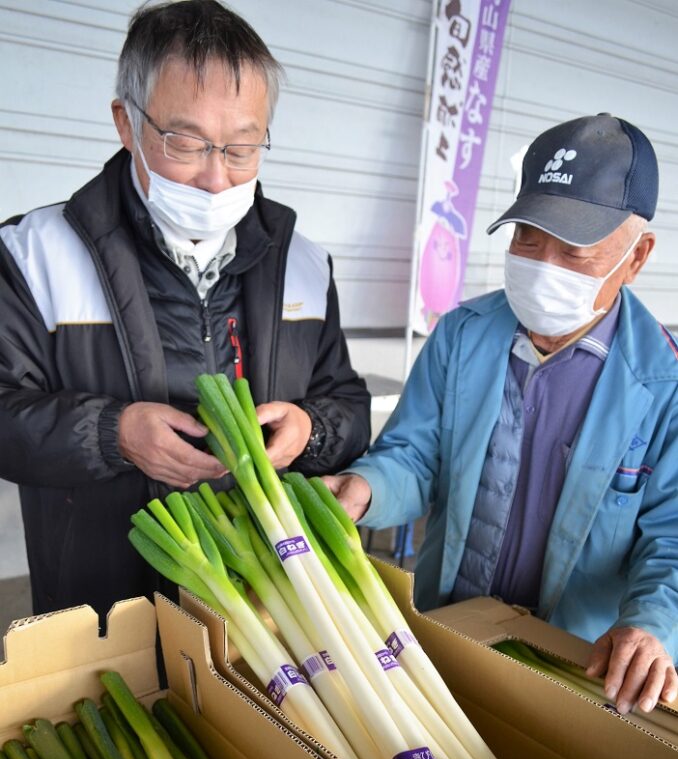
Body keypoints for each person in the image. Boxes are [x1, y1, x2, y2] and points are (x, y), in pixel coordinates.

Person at [0, 0, 370, 622]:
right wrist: (112, 434)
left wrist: (312, 429)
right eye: (187, 143)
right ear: (126, 122)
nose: (217, 179)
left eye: (242, 148)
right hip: (99, 609)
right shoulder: (34, 253)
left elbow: (348, 406)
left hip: (261, 606)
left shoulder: (301, 263)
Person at [327, 113, 678, 717]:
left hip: (572, 664)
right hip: (448, 634)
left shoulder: (664, 385)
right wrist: (364, 489)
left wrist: (651, 625)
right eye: (528, 239)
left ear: (637, 256)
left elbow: (670, 541)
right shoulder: (463, 336)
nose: (544, 265)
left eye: (574, 250)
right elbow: (414, 457)